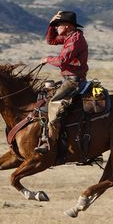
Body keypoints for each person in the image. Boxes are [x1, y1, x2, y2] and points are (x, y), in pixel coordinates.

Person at [35, 10, 89, 154]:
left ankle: (49, 142)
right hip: (68, 78)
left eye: (58, 25)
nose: (57, 27)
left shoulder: (76, 39)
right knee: (43, 95)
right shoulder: (69, 37)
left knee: (53, 103)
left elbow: (62, 60)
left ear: (67, 26)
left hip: (74, 81)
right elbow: (51, 40)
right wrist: (51, 24)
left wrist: (47, 59)